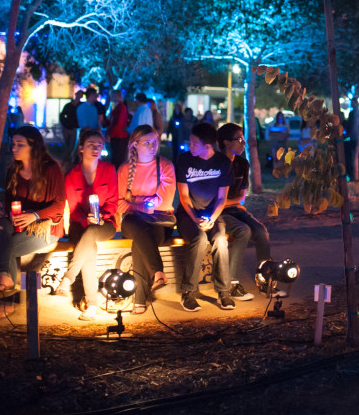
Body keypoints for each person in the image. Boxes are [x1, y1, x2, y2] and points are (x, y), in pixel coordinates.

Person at [0, 125, 65, 319]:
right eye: (13, 143)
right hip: (20, 223)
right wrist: (14, 216)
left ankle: (9, 299)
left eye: (20, 144)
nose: (14, 148)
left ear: (33, 146)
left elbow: (59, 205)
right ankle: (5, 278)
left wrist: (34, 215)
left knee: (9, 246)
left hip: (46, 227)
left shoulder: (50, 168)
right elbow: (7, 204)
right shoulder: (13, 171)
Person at [55, 128, 118, 321]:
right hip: (80, 225)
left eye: (99, 145)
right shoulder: (72, 175)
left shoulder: (109, 170)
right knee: (89, 249)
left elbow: (113, 202)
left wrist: (102, 217)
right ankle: (92, 304)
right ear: (81, 148)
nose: (95, 149)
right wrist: (85, 219)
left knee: (92, 233)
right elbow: (73, 209)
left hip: (105, 224)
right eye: (91, 145)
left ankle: (68, 279)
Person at [117, 125, 176, 314]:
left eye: (155, 142)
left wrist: (134, 201)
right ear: (135, 145)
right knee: (137, 227)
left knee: (140, 242)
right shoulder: (125, 170)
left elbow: (164, 202)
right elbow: (120, 204)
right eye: (147, 142)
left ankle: (139, 300)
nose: (153, 146)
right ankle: (157, 272)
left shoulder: (165, 166)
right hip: (132, 222)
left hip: (158, 222)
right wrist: (145, 203)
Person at [174, 122, 234, 311]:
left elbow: (222, 198)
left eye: (194, 144)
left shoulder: (223, 163)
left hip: (213, 215)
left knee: (220, 240)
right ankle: (188, 293)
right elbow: (184, 197)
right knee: (199, 239)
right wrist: (195, 219)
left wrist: (212, 219)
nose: (189, 146)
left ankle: (224, 292)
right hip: (188, 215)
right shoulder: (184, 160)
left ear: (207, 146)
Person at [218, 122, 272, 302]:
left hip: (236, 209)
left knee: (261, 231)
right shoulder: (216, 164)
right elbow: (215, 201)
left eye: (244, 139)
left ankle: (265, 277)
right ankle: (232, 284)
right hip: (219, 212)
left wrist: (229, 202)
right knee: (244, 231)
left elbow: (242, 198)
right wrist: (226, 203)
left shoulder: (242, 163)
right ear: (226, 142)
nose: (243, 143)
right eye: (239, 139)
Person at [107, 89, 130, 169]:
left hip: (119, 136)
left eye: (113, 96)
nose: (112, 97)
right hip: (116, 136)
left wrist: (109, 133)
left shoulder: (121, 107)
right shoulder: (117, 107)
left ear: (118, 96)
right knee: (115, 158)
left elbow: (118, 123)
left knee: (118, 159)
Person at [344, 98, 359, 180]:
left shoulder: (352, 113)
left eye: (352, 103)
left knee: (350, 155)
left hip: (352, 136)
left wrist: (346, 134)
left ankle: (351, 174)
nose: (351, 105)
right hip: (357, 136)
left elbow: (350, 125)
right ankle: (354, 175)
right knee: (354, 156)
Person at [59, 91, 82, 156]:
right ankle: (67, 157)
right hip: (67, 127)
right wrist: (64, 125)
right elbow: (62, 115)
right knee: (67, 143)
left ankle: (70, 157)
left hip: (75, 128)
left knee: (73, 145)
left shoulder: (81, 106)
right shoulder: (68, 105)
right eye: (78, 94)